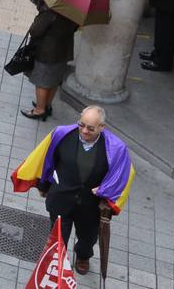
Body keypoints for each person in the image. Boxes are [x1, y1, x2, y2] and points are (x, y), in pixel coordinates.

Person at [13, 106, 134, 276]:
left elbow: (123, 174)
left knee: (88, 238)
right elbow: (47, 161)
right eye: (81, 125)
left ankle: (83, 256)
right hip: (61, 198)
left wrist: (106, 188)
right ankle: (56, 261)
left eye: (90, 128)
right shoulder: (61, 134)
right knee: (58, 236)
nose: (84, 131)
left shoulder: (116, 148)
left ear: (102, 128)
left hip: (90, 205)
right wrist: (43, 186)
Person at [22, 0, 79, 121]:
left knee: (41, 82)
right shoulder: (75, 10)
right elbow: (75, 27)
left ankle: (39, 110)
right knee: (54, 80)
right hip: (64, 49)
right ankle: (47, 105)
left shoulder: (50, 12)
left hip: (47, 52)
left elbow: (35, 31)